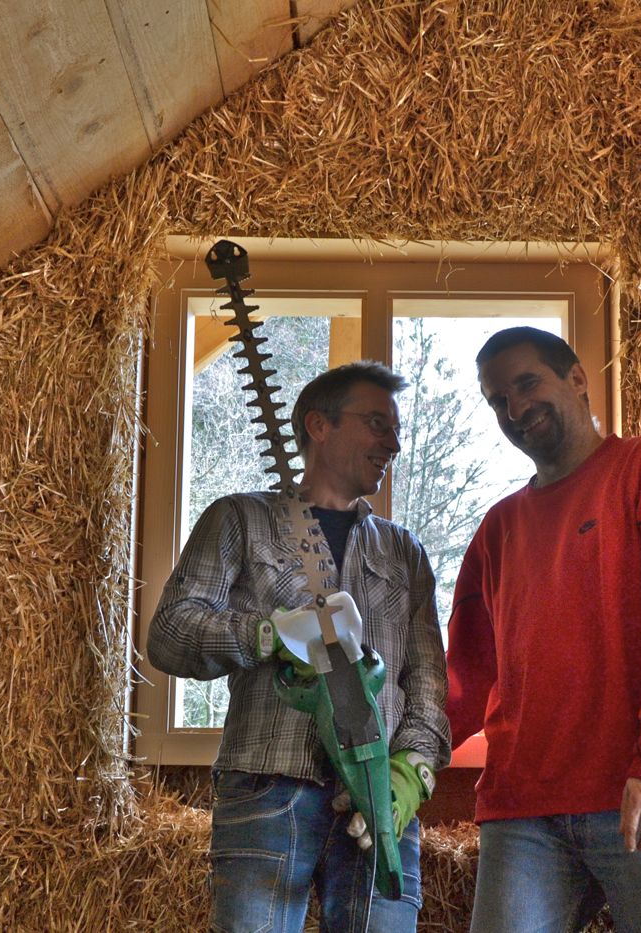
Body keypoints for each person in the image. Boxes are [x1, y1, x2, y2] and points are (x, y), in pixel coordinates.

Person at [446, 327, 641, 933]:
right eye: (498, 400)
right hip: (525, 807)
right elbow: (464, 676)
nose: (515, 409)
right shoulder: (499, 528)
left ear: (577, 379)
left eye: (528, 383)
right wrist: (401, 760)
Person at [148, 360, 450, 933]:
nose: (393, 444)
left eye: (396, 429)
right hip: (269, 782)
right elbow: (169, 634)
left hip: (377, 795)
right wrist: (267, 633)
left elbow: (428, 683)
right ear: (319, 425)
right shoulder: (240, 519)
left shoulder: (403, 552)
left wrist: (410, 773)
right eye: (377, 424)